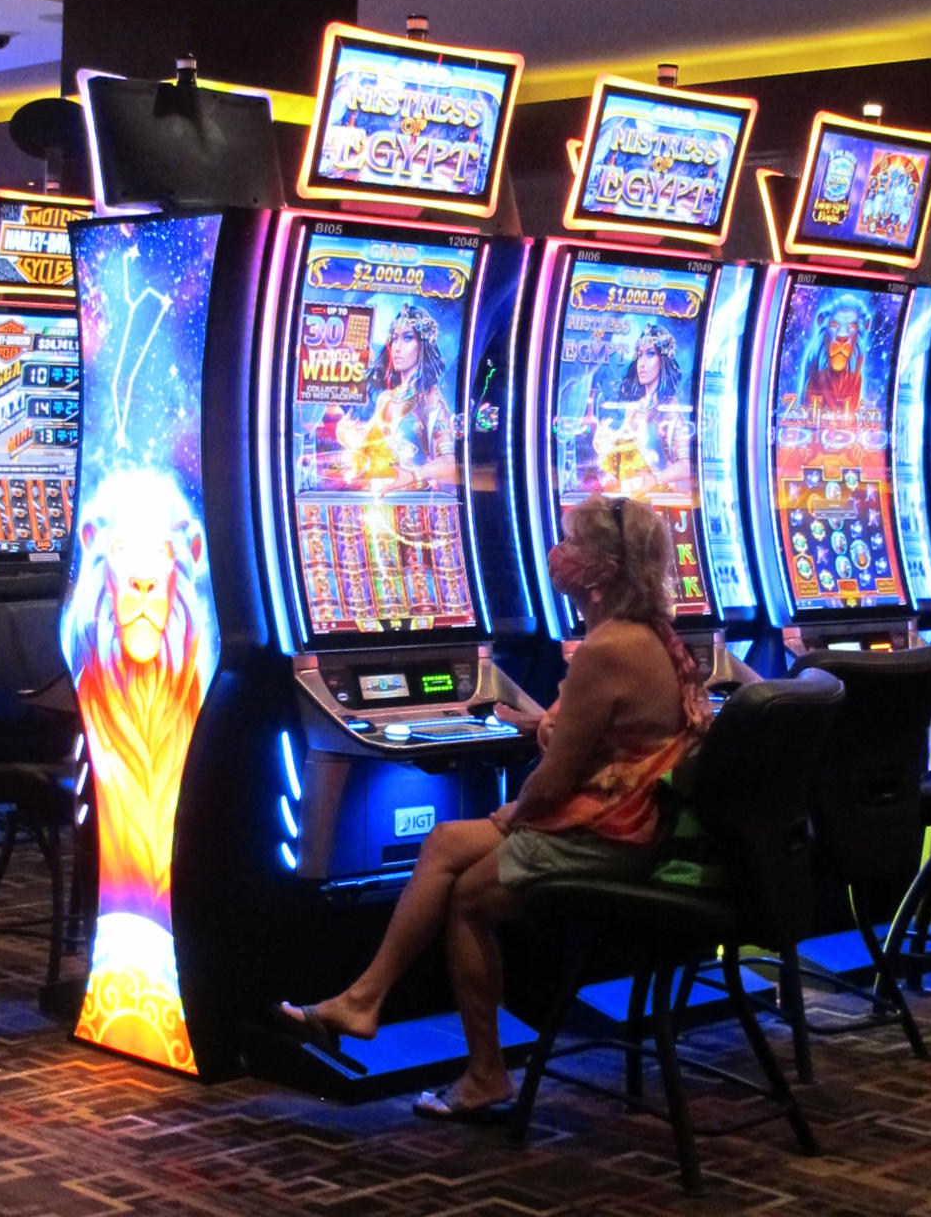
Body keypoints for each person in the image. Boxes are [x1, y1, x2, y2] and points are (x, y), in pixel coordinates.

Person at [273, 495, 713, 1120]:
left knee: (469, 895)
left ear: (602, 570)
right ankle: (365, 1001)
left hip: (613, 839)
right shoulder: (650, 636)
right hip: (640, 825)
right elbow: (613, 737)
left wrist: (510, 818)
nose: (557, 554)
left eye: (571, 544)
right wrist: (544, 725)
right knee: (445, 845)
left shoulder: (608, 649)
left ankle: (481, 1073)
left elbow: (554, 784)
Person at [336, 304, 457, 494]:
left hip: (416, 505)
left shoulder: (429, 398)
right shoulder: (387, 398)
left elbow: (449, 465)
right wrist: (346, 434)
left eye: (407, 338)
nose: (397, 348)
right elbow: (368, 448)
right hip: (380, 501)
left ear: (422, 345)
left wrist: (413, 475)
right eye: (394, 339)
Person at [595, 324, 691, 498]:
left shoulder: (670, 408)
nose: (642, 363)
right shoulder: (633, 408)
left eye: (650, 354)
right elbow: (619, 455)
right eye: (639, 355)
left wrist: (655, 479)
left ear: (663, 360)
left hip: (659, 501)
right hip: (628, 498)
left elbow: (686, 465)